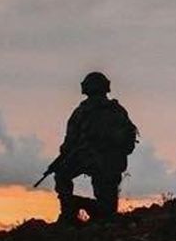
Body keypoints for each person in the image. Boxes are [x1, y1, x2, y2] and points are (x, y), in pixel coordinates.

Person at [50, 72, 138, 224]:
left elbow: (68, 144)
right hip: (114, 164)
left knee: (61, 175)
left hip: (90, 159)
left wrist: (64, 157)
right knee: (108, 212)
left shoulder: (82, 112)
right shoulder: (118, 110)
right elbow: (129, 139)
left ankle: (70, 212)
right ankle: (86, 211)